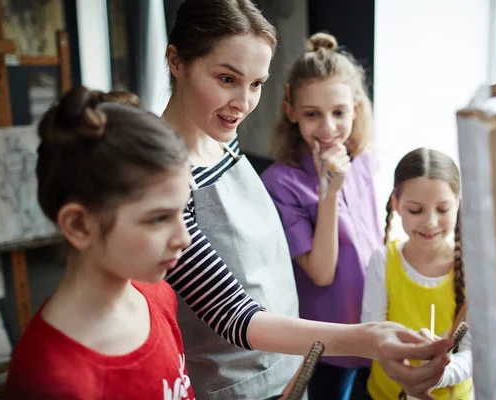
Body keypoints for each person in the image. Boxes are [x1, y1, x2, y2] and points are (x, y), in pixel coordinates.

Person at [162, 1, 451, 399]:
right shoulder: (164, 181)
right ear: (176, 60)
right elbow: (232, 315)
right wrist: (367, 339)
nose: (244, 103)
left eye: (256, 83)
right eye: (227, 79)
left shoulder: (220, 142)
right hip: (239, 386)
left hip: (288, 365)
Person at [4, 87, 195, 399]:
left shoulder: (157, 294)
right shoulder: (50, 380)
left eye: (182, 211)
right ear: (79, 225)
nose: (184, 239)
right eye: (158, 218)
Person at [261, 32, 382, 399]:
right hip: (328, 339)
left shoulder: (365, 160)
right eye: (313, 114)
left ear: (356, 109)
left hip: (376, 321)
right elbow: (321, 271)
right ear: (291, 112)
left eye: (339, 113)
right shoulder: (280, 182)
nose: (328, 128)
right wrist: (329, 193)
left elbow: (378, 239)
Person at [362, 148, 474, 400]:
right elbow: (370, 337)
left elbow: (473, 352)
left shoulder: (472, 270)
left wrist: (437, 373)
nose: (431, 222)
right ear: (396, 205)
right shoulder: (383, 261)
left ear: (457, 204)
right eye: (415, 210)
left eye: (443, 209)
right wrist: (408, 367)